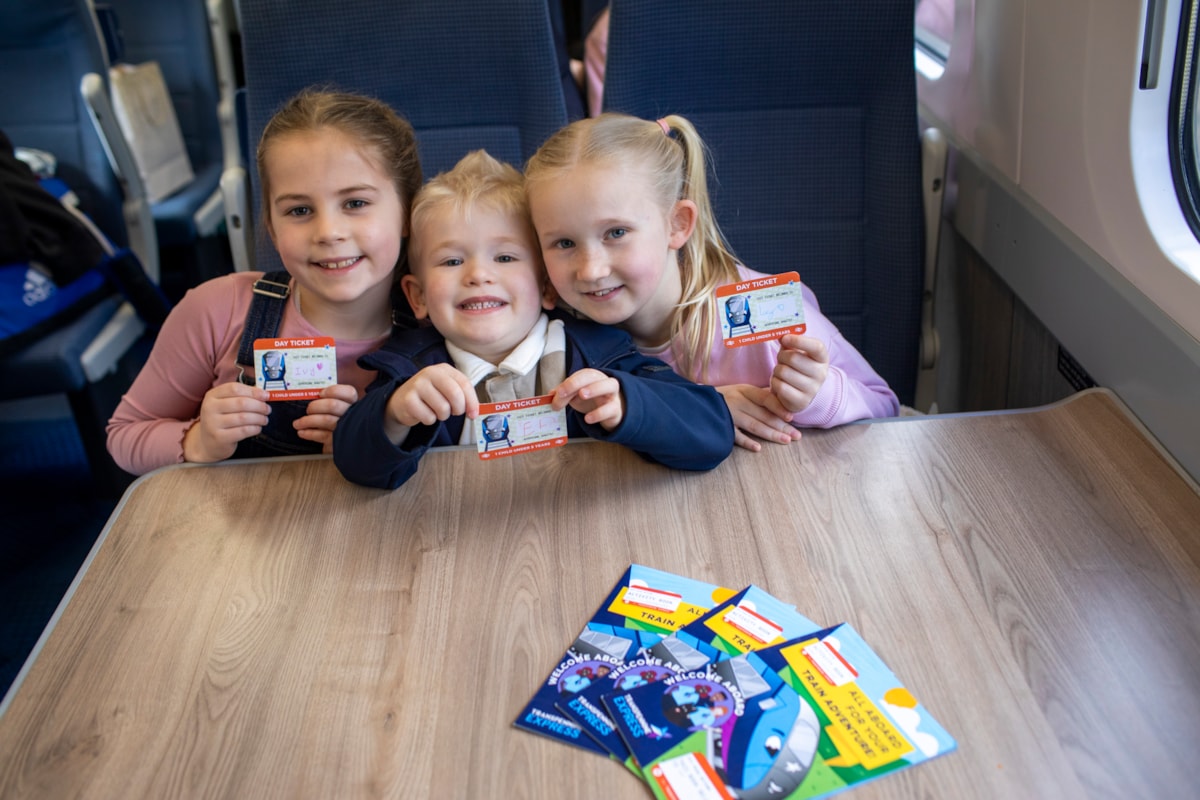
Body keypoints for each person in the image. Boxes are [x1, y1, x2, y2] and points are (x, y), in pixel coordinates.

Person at [332, 150, 733, 490]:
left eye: (505, 257)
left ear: (546, 285)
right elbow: (356, 466)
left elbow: (712, 434)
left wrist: (628, 404)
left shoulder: (600, 353)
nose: (478, 275)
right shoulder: (407, 373)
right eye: (452, 261)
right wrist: (394, 415)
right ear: (418, 296)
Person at [523, 112, 899, 452]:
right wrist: (708, 408)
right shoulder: (553, 336)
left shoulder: (766, 314)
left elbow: (886, 408)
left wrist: (819, 395)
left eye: (616, 233)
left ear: (677, 225)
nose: (590, 270)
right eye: (564, 243)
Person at [106, 89, 422, 475]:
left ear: (408, 212)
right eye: (299, 210)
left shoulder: (441, 321)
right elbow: (124, 435)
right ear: (271, 227)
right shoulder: (217, 311)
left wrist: (373, 437)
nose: (328, 232)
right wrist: (199, 440)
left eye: (355, 203)